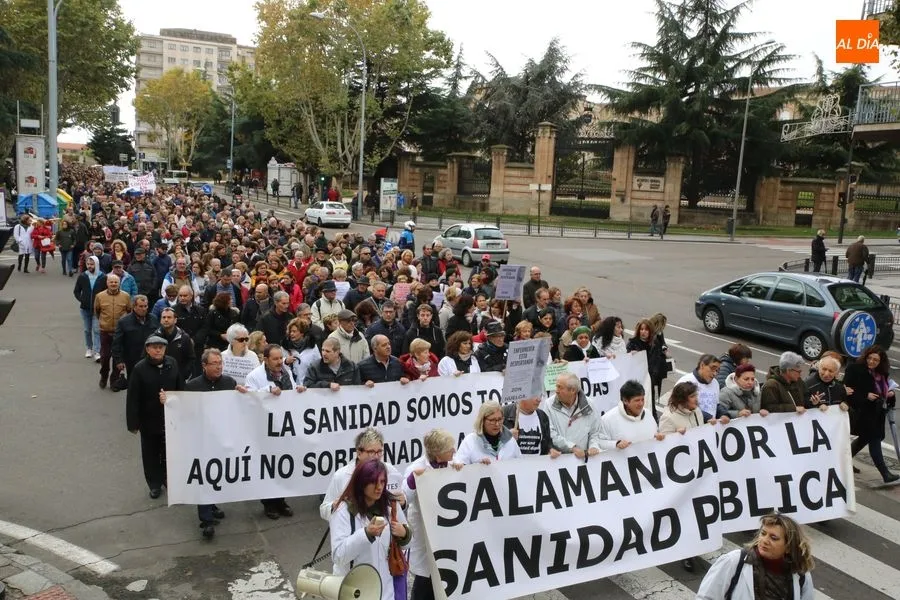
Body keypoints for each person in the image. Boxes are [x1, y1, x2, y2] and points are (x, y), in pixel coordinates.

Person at [182, 348, 248, 539]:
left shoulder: (229, 383)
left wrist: (244, 394)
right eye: (214, 364)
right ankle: (206, 521)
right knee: (204, 477)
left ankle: (212, 505)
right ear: (204, 366)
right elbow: (184, 412)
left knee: (217, 475)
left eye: (221, 363)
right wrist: (168, 402)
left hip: (223, 440)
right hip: (202, 441)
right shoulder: (192, 386)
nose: (219, 367)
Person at [330, 460, 411, 600]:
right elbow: (338, 556)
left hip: (386, 591)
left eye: (383, 481)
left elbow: (408, 545)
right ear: (362, 482)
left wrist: (404, 534)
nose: (379, 487)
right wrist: (366, 534)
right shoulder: (343, 510)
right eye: (374, 482)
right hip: (355, 591)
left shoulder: (391, 505)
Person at [697, 513, 815, 600]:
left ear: (788, 547)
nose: (765, 540)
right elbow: (706, 597)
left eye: (773, 538)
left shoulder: (801, 574)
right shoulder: (734, 562)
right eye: (763, 533)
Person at [244, 344, 302, 518]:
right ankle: (269, 504)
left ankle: (281, 500)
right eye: (275, 359)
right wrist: (267, 391)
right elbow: (249, 398)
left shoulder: (286, 372)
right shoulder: (254, 376)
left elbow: (292, 389)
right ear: (266, 359)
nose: (279, 362)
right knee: (268, 466)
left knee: (282, 465)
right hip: (264, 428)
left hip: (283, 426)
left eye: (280, 358)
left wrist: (299, 389)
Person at [126, 335, 184, 499]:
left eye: (161, 347)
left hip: (171, 418)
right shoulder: (139, 369)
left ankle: (169, 479)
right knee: (150, 453)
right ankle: (154, 484)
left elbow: (181, 387)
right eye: (154, 347)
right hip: (149, 419)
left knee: (169, 452)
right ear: (147, 349)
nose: (158, 350)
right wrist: (133, 423)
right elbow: (133, 398)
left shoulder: (172, 363)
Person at [403, 429, 454, 600]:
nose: (454, 451)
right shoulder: (417, 468)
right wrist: (412, 480)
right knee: (425, 579)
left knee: (446, 577)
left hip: (447, 531)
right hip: (425, 534)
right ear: (438, 454)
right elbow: (403, 499)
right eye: (450, 449)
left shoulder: (454, 464)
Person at [319, 428, 403, 522]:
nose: (376, 456)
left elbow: (401, 503)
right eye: (371, 452)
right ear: (359, 453)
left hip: (384, 531)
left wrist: (403, 502)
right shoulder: (341, 476)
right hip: (351, 531)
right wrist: (334, 506)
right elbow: (323, 510)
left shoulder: (390, 471)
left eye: (379, 452)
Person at [843, 346, 899, 483]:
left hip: (876, 413)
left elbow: (885, 392)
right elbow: (846, 391)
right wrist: (865, 396)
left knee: (864, 439)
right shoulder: (854, 369)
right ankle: (885, 473)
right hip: (861, 412)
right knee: (873, 439)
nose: (872, 362)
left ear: (881, 361)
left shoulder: (882, 374)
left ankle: (843, 462)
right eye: (870, 358)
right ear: (865, 357)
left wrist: (890, 394)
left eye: (876, 360)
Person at [541, 372, 602, 458]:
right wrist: (572, 447)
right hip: (558, 460)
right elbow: (550, 433)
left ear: (572, 390)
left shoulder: (589, 405)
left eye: (560, 387)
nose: (556, 390)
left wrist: (593, 447)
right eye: (556, 386)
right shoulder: (549, 404)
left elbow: (595, 432)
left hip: (583, 460)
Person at [599, 380, 665, 449]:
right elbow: (599, 443)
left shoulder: (648, 413)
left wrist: (658, 436)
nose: (641, 404)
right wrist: (616, 444)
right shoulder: (608, 419)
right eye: (637, 400)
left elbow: (656, 432)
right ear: (625, 401)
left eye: (642, 399)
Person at [454, 400, 522, 464]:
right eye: (492, 420)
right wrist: (477, 467)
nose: (497, 424)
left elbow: (519, 465)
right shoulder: (470, 441)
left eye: (500, 419)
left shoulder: (510, 440)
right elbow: (459, 468)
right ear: (482, 420)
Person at [73, 255, 103, 359]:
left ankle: (97, 351)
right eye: (88, 264)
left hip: (97, 309)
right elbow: (76, 291)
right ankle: (89, 348)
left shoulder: (102, 277)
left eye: (92, 264)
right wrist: (82, 300)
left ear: (96, 264)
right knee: (87, 329)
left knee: (96, 330)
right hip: (85, 309)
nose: (90, 266)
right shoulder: (82, 276)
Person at [676, 354, 721, 421]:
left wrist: (724, 415)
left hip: (709, 426)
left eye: (717, 371)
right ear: (702, 365)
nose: (715, 374)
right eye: (712, 369)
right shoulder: (685, 381)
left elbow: (716, 405)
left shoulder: (715, 383)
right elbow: (680, 406)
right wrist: (707, 417)